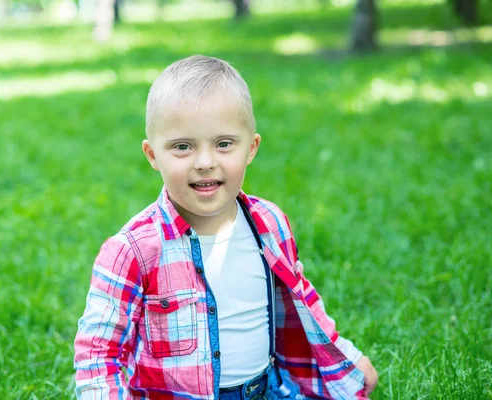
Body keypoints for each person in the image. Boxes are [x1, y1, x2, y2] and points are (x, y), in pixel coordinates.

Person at [73, 55, 378, 399]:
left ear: (251, 148)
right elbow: (100, 354)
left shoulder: (269, 224)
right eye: (183, 147)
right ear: (152, 155)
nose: (205, 162)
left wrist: (348, 359)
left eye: (223, 144)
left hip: (267, 390)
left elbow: (304, 304)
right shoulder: (134, 251)